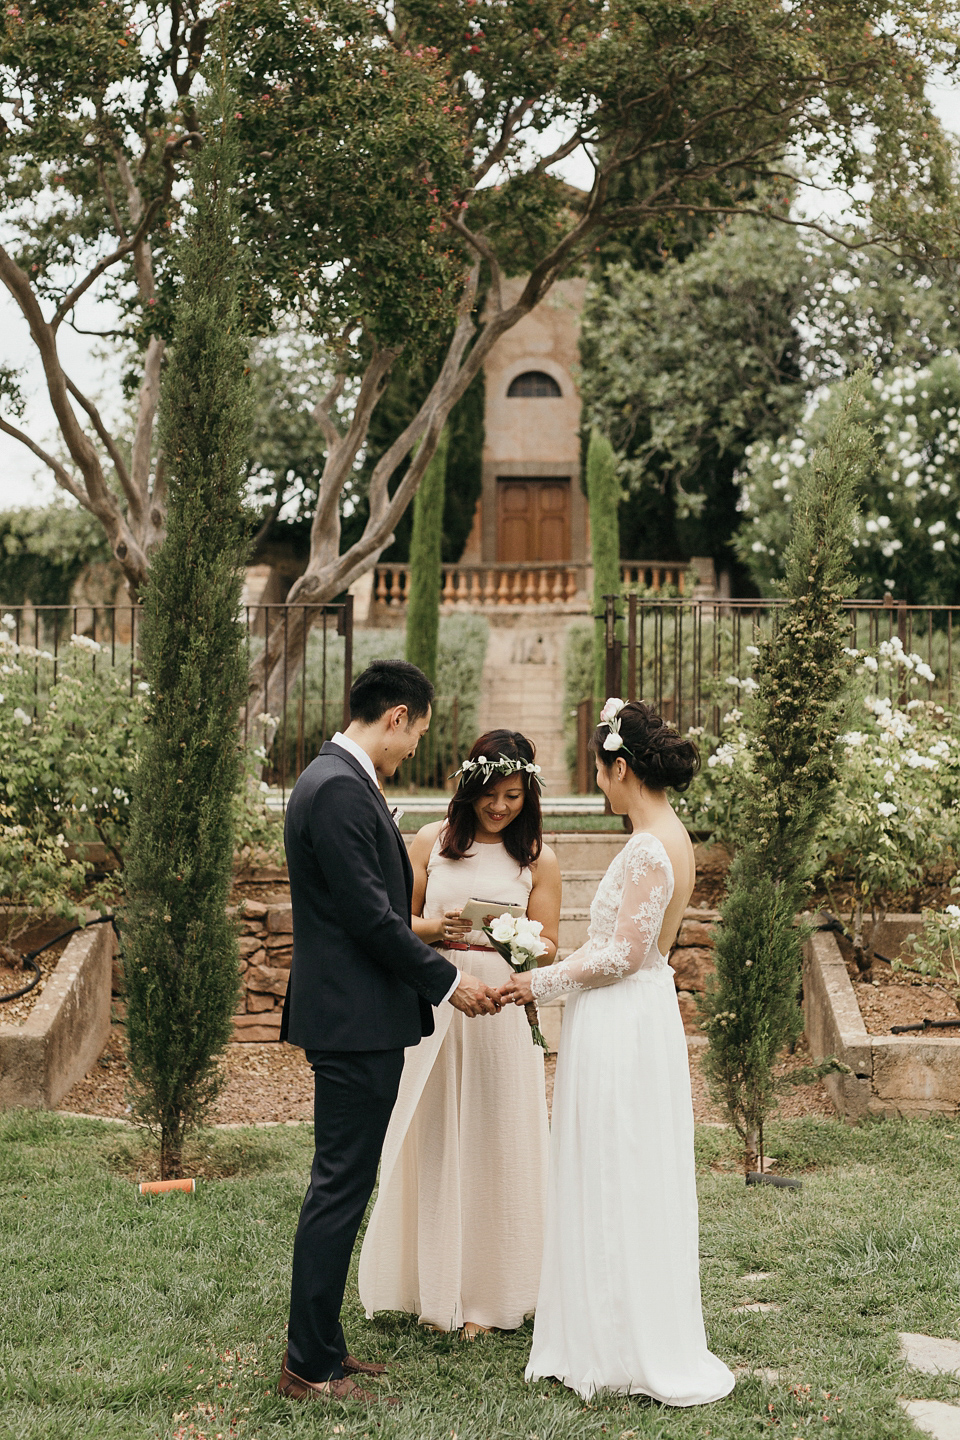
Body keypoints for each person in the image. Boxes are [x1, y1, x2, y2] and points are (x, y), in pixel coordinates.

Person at [277, 660, 502, 1406]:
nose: (412, 751)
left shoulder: (337, 781)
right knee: (339, 1187)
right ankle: (309, 1367)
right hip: (352, 1018)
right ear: (398, 715)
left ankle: (326, 1353)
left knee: (343, 1182)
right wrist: (447, 982)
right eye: (417, 735)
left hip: (354, 1014)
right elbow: (369, 919)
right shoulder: (339, 788)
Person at [500, 699, 735, 1407]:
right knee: (618, 1164)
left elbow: (625, 955)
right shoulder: (669, 835)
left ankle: (617, 1341)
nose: (598, 785)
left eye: (600, 772)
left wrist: (534, 982)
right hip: (634, 1015)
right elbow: (624, 950)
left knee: (614, 1167)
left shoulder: (648, 846)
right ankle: (610, 1326)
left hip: (624, 1021)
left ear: (621, 766)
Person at [359, 731, 562, 1338]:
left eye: (513, 796)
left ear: (528, 795)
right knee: (436, 1132)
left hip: (500, 1005)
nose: (500, 807)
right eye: (490, 794)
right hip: (439, 998)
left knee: (494, 1138)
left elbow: (552, 947)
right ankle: (432, 1285)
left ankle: (490, 1295)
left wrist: (521, 941)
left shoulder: (539, 860)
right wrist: (435, 926)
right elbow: (396, 924)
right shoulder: (430, 843)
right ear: (469, 788)